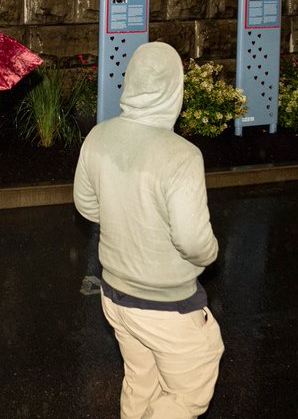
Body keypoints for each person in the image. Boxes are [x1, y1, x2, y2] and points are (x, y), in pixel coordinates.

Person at [74, 42, 224, 419]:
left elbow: (86, 205)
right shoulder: (181, 155)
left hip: (116, 294)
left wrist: (125, 216)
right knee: (188, 395)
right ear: (176, 88)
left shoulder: (98, 137)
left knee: (141, 381)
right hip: (166, 304)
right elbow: (193, 241)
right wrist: (209, 254)